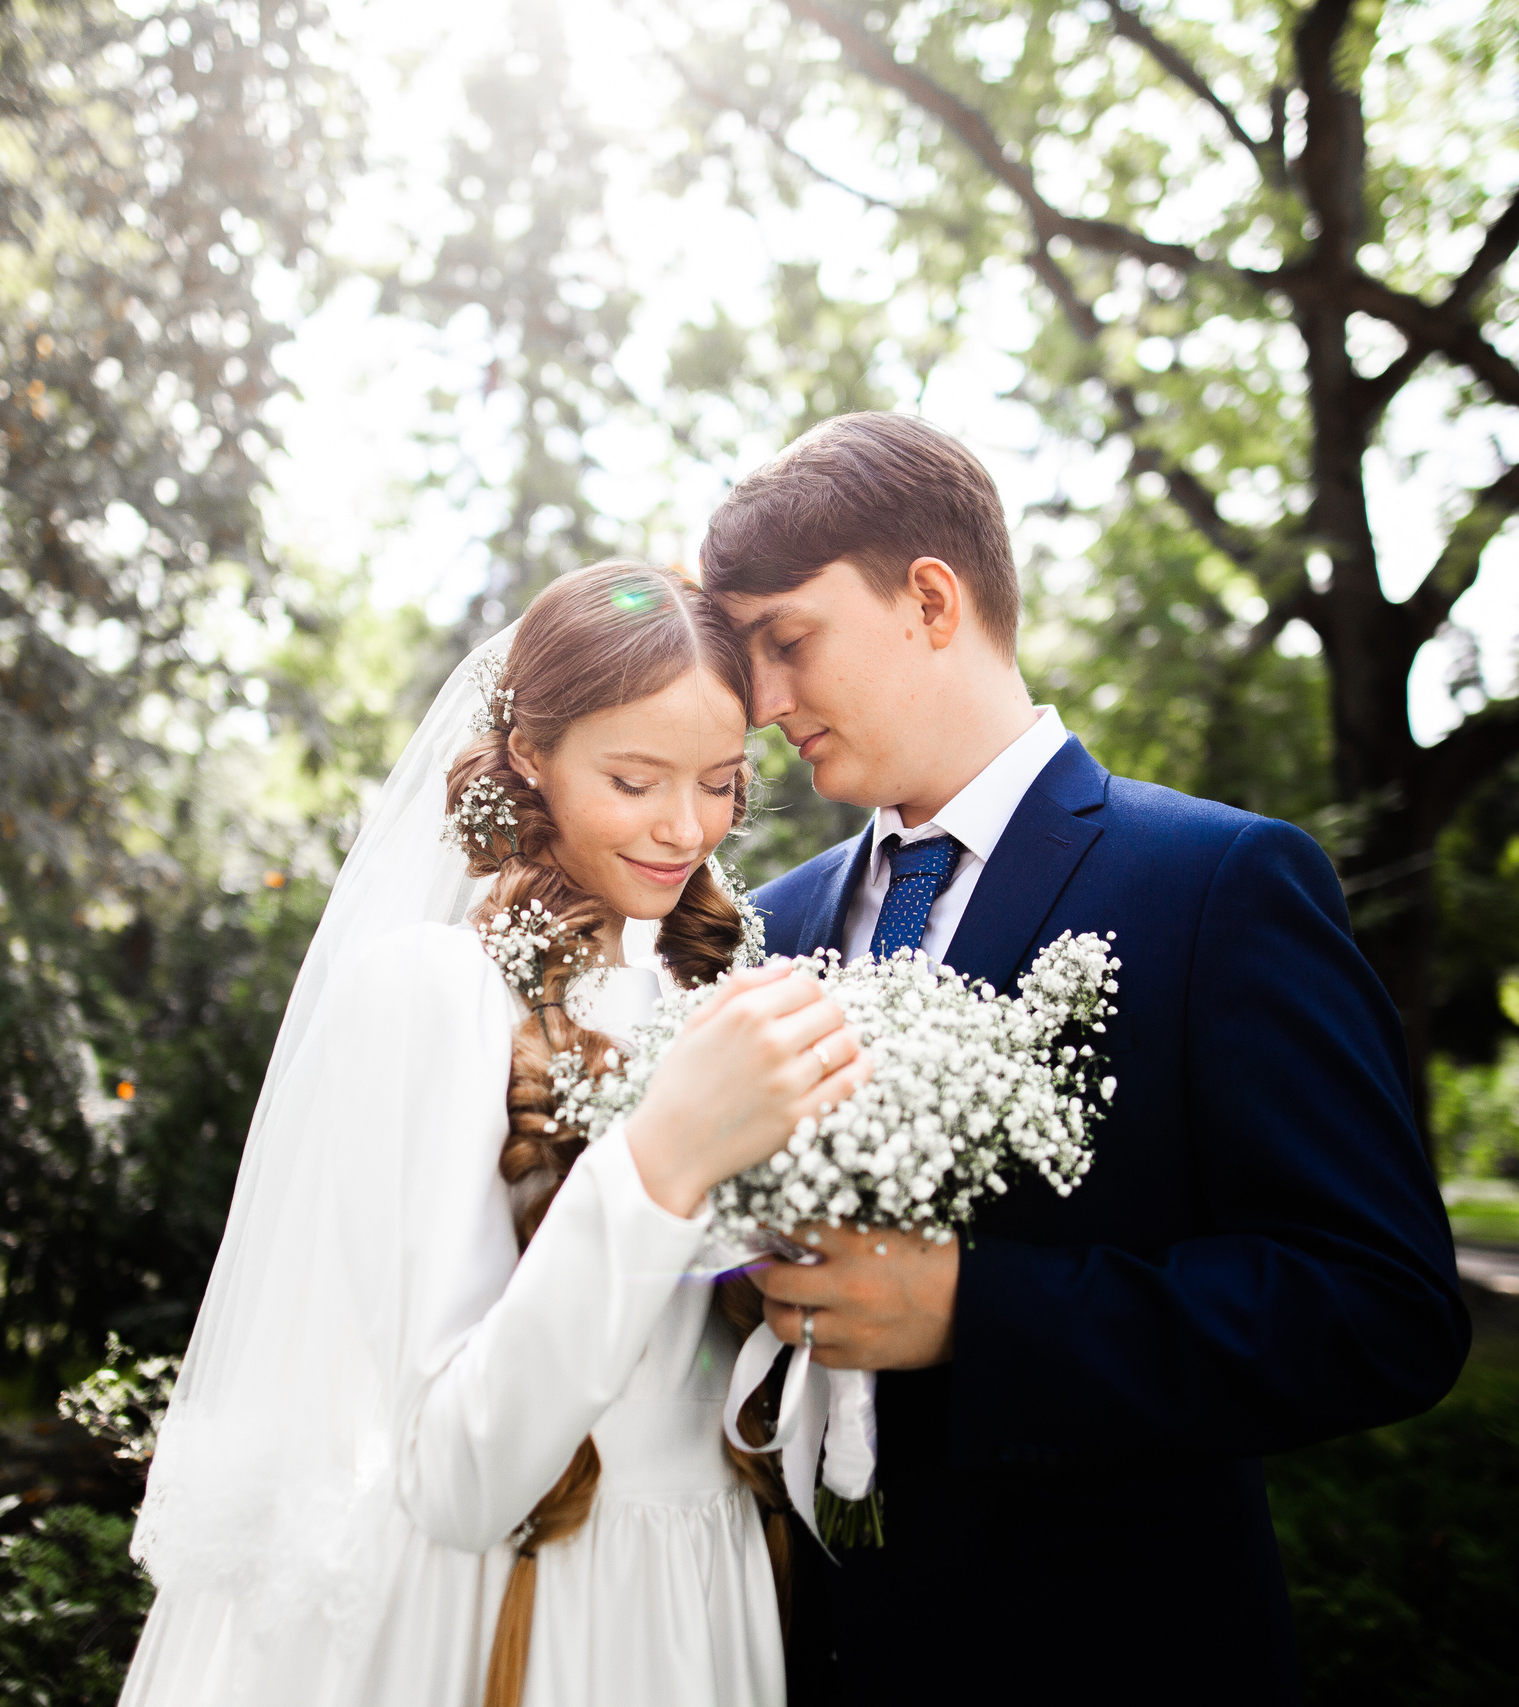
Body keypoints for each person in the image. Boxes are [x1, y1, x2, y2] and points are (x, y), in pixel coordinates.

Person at [699, 412, 1471, 1704]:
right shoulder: (758, 921)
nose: (763, 702)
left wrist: (972, 1312)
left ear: (929, 601)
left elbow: (1381, 1304)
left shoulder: (1217, 882)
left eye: (786, 641)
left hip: (1109, 1654)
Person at [118, 561, 868, 1707]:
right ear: (530, 754)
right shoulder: (428, 996)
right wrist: (660, 1160)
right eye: (633, 779)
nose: (685, 828)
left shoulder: (714, 998)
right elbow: (460, 1472)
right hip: (519, 1614)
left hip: (704, 1606)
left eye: (721, 782)